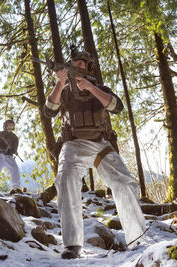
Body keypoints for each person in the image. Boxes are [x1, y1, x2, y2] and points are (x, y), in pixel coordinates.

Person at [43, 48, 146, 259]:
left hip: (100, 144)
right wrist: (60, 82)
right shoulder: (63, 91)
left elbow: (117, 107)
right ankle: (72, 244)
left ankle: (138, 240)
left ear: (89, 67)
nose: (78, 66)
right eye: (75, 63)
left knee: (125, 183)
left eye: (82, 63)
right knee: (65, 179)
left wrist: (90, 87)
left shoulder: (101, 88)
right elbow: (49, 110)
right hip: (73, 144)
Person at [0, 119, 21, 192]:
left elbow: (14, 149)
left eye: (12, 126)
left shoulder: (14, 137)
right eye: (9, 125)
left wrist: (11, 149)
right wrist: (0, 146)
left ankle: (16, 189)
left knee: (15, 171)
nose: (10, 127)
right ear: (5, 126)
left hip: (9, 156)